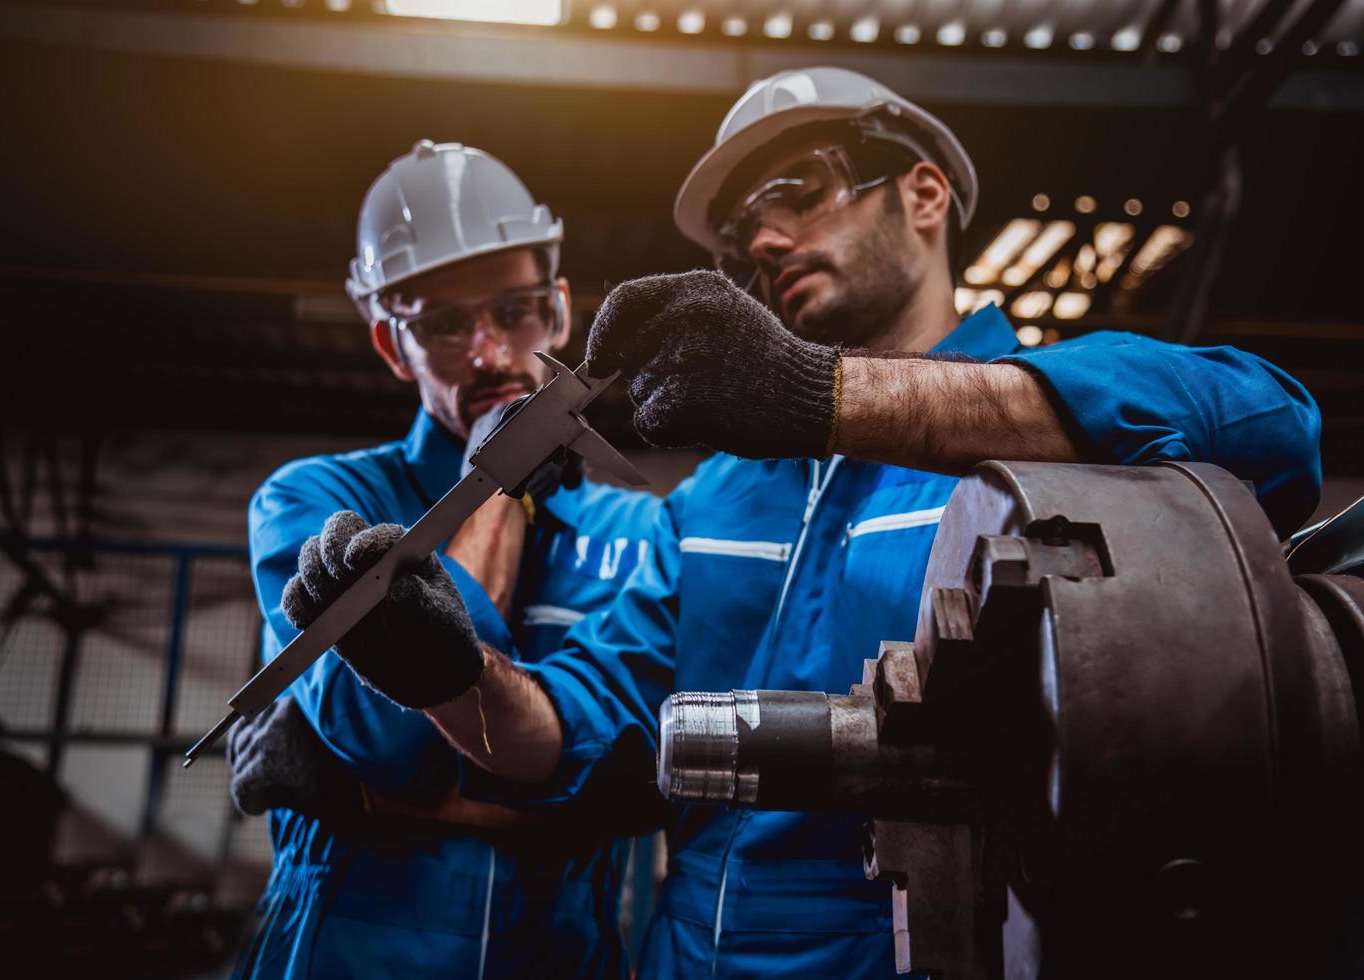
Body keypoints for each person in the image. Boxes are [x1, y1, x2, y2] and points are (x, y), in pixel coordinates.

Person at [286, 70, 1322, 977]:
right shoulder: (711, 501)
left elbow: (1275, 429)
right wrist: (452, 675)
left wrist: (825, 397)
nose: (765, 238)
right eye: (744, 231)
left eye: (797, 189)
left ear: (924, 191)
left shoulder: (1049, 426)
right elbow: (576, 741)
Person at [229, 139, 662, 978]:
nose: (493, 355)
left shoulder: (640, 533)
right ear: (394, 346)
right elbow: (391, 744)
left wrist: (350, 791)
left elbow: (636, 785)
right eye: (443, 325)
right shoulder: (313, 505)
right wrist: (494, 491)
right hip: (341, 957)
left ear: (561, 311)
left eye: (517, 311)